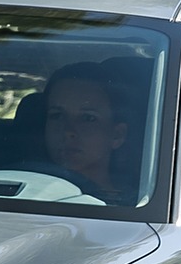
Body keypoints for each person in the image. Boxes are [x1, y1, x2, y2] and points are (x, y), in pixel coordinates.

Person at [43, 61, 135, 203]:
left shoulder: (135, 208)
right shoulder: (15, 198)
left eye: (88, 118)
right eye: (57, 116)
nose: (68, 131)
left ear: (117, 135)